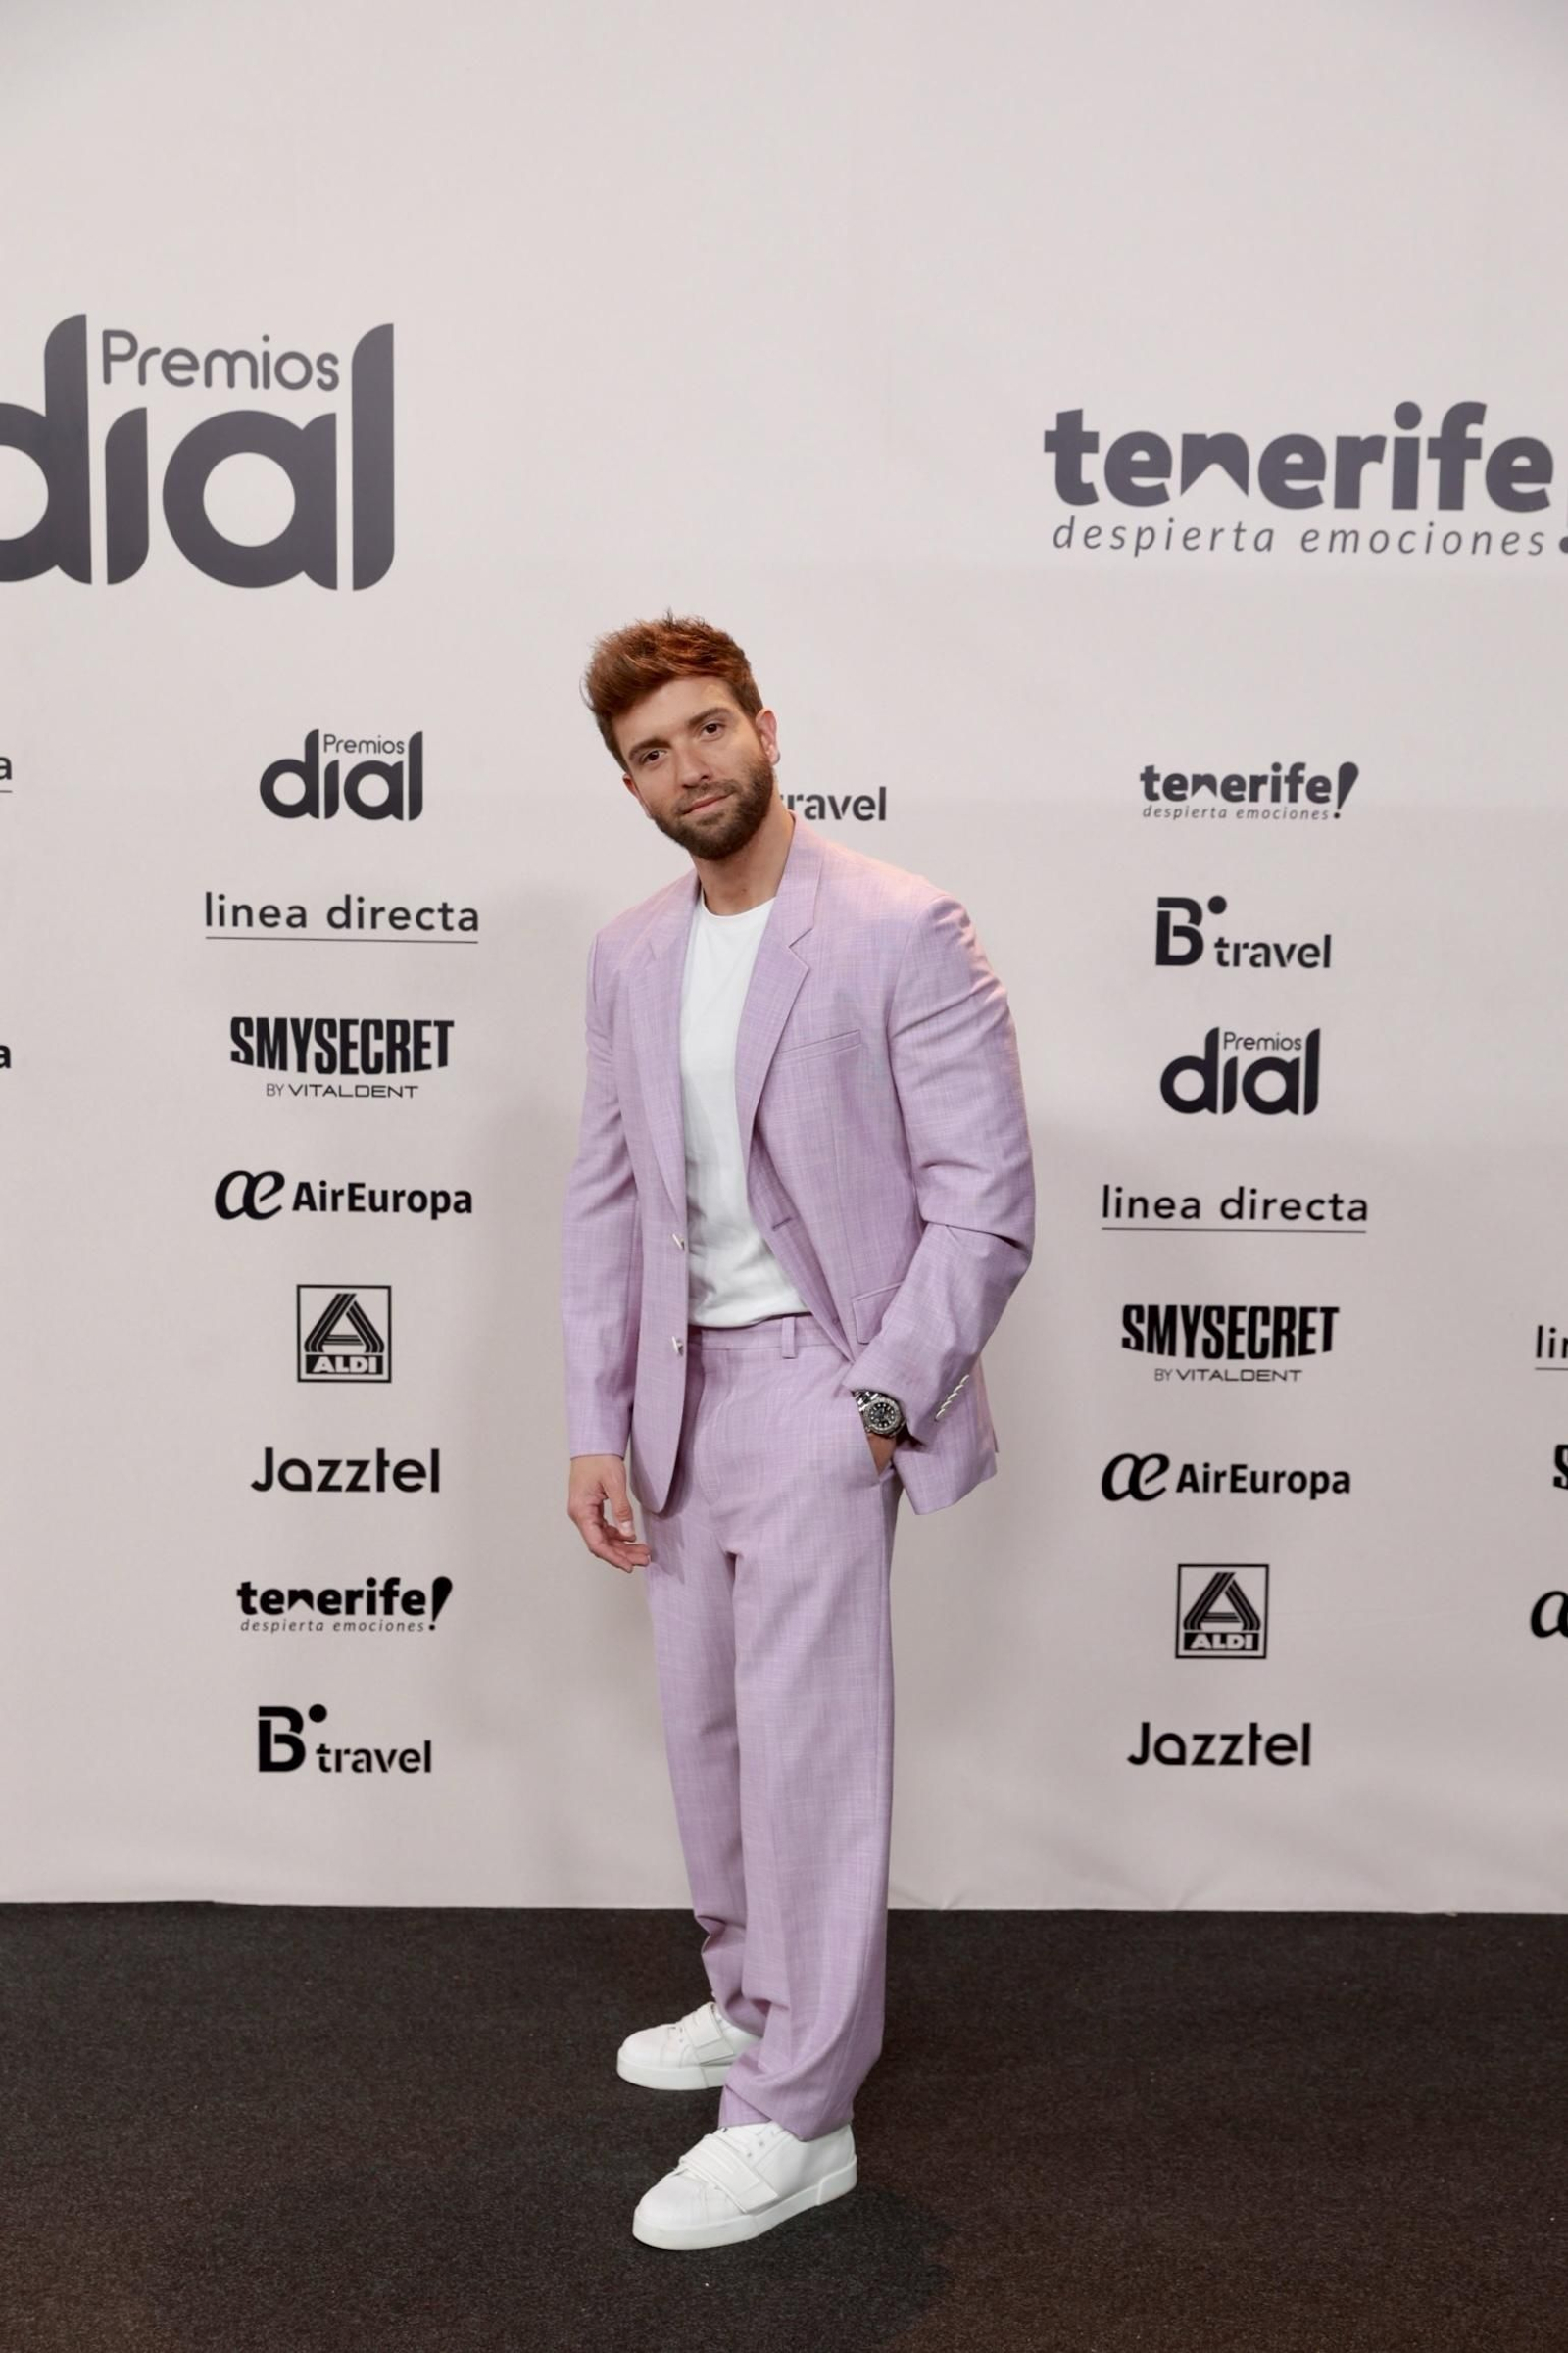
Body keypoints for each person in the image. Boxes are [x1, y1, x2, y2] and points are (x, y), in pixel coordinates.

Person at [561, 610, 1035, 2250]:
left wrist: (878, 1405)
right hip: (671, 1392)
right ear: (628, 784)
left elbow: (985, 1205)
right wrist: (596, 1416)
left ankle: (800, 2113)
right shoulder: (630, 952)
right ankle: (755, 1994)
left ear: (765, 728)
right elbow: (607, 1196)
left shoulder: (903, 926)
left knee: (810, 1751)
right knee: (709, 1729)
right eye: (650, 751)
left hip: (824, 1383)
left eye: (707, 728)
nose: (687, 766)